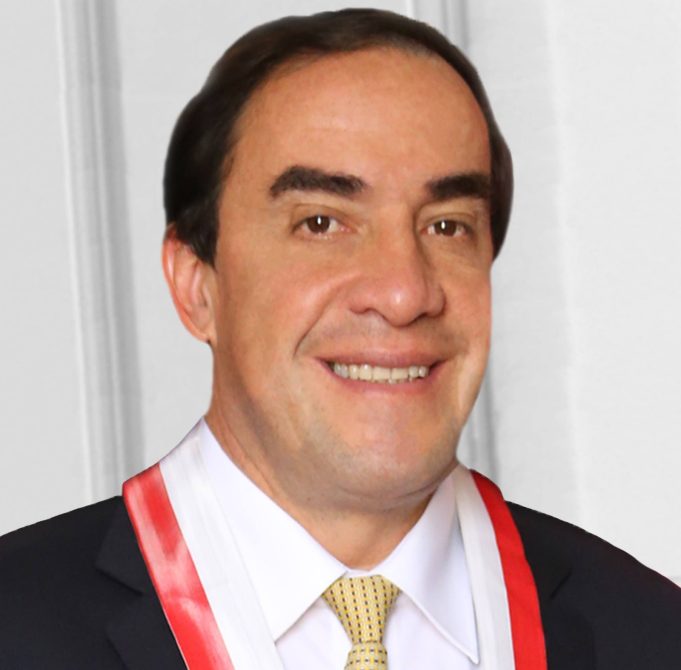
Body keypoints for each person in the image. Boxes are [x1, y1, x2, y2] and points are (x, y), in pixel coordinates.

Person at [1, 8, 679, 670]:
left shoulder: (651, 633)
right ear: (197, 286)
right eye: (322, 223)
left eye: (447, 226)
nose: (403, 292)